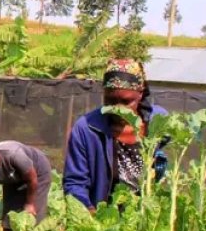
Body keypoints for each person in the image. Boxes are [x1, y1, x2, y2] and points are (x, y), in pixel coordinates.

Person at [63, 58, 168, 211]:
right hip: (104, 216)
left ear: (140, 93)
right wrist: (90, 214)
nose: (117, 108)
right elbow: (75, 182)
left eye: (126, 102)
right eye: (110, 101)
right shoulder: (86, 128)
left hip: (147, 216)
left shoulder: (159, 121)